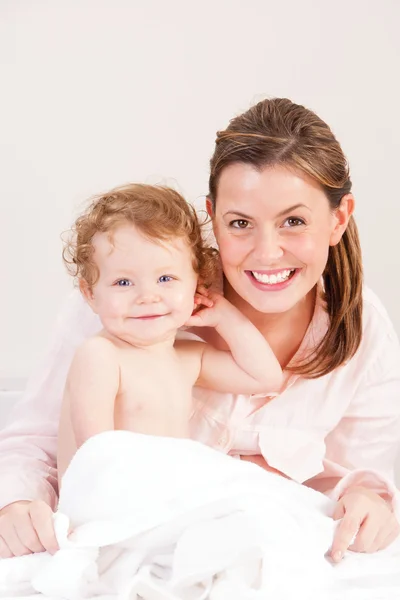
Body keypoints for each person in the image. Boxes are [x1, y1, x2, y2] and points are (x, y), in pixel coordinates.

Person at [0, 97, 399, 563]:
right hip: (133, 535)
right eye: (240, 223)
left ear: (339, 217)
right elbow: (39, 444)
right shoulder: (128, 304)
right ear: (212, 214)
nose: (267, 253)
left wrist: (370, 501)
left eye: (294, 221)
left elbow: (359, 473)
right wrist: (16, 502)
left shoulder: (362, 326)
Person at [57, 184, 282, 482]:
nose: (147, 296)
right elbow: (96, 456)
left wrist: (223, 315)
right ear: (90, 294)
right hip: (111, 502)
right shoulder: (101, 356)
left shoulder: (186, 357)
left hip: (165, 501)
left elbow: (265, 377)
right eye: (123, 282)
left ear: (196, 284)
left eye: (166, 278)